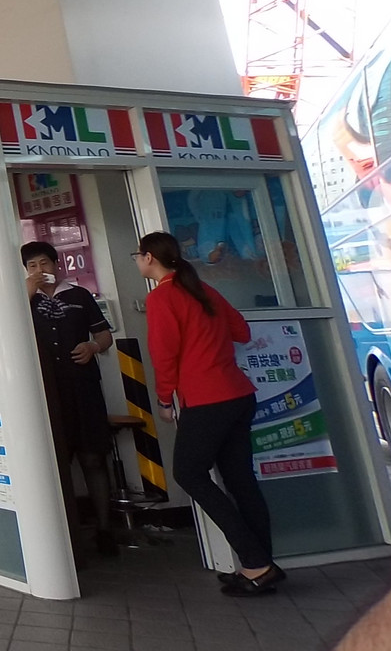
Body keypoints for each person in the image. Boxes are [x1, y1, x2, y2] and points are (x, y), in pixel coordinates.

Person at [138, 230, 281, 596]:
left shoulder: (162, 297)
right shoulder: (203, 290)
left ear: (149, 258)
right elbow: (242, 332)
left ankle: (256, 562)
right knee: (241, 480)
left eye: (138, 256)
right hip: (238, 395)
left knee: (188, 473)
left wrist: (165, 399)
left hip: (207, 400)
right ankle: (260, 566)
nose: (138, 261)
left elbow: (163, 353)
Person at [22, 241, 117, 557]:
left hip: (83, 386)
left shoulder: (79, 295)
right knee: (55, 462)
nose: (39, 270)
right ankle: (64, 537)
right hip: (45, 391)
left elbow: (104, 335)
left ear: (56, 264)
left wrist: (93, 347)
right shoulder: (22, 300)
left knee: (93, 457)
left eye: (44, 263)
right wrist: (27, 292)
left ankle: (105, 530)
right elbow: (6, 330)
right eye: (32, 266)